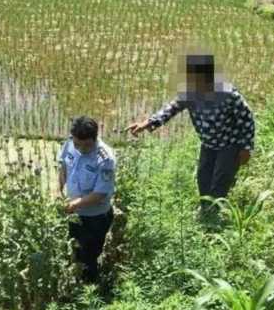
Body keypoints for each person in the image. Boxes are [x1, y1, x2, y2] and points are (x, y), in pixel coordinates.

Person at [126, 54, 255, 217]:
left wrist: (246, 147)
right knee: (203, 177)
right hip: (208, 143)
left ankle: (212, 217)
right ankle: (205, 208)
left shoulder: (228, 94)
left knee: (220, 180)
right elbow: (172, 108)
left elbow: (247, 119)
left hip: (230, 144)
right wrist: (148, 123)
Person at [58, 116, 116, 284]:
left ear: (95, 138)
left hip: (95, 218)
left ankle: (90, 291)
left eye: (87, 145)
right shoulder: (69, 144)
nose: (81, 149)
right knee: (73, 251)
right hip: (74, 213)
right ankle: (74, 284)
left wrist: (75, 204)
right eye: (78, 144)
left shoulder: (105, 158)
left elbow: (100, 193)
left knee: (89, 257)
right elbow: (63, 167)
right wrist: (58, 189)